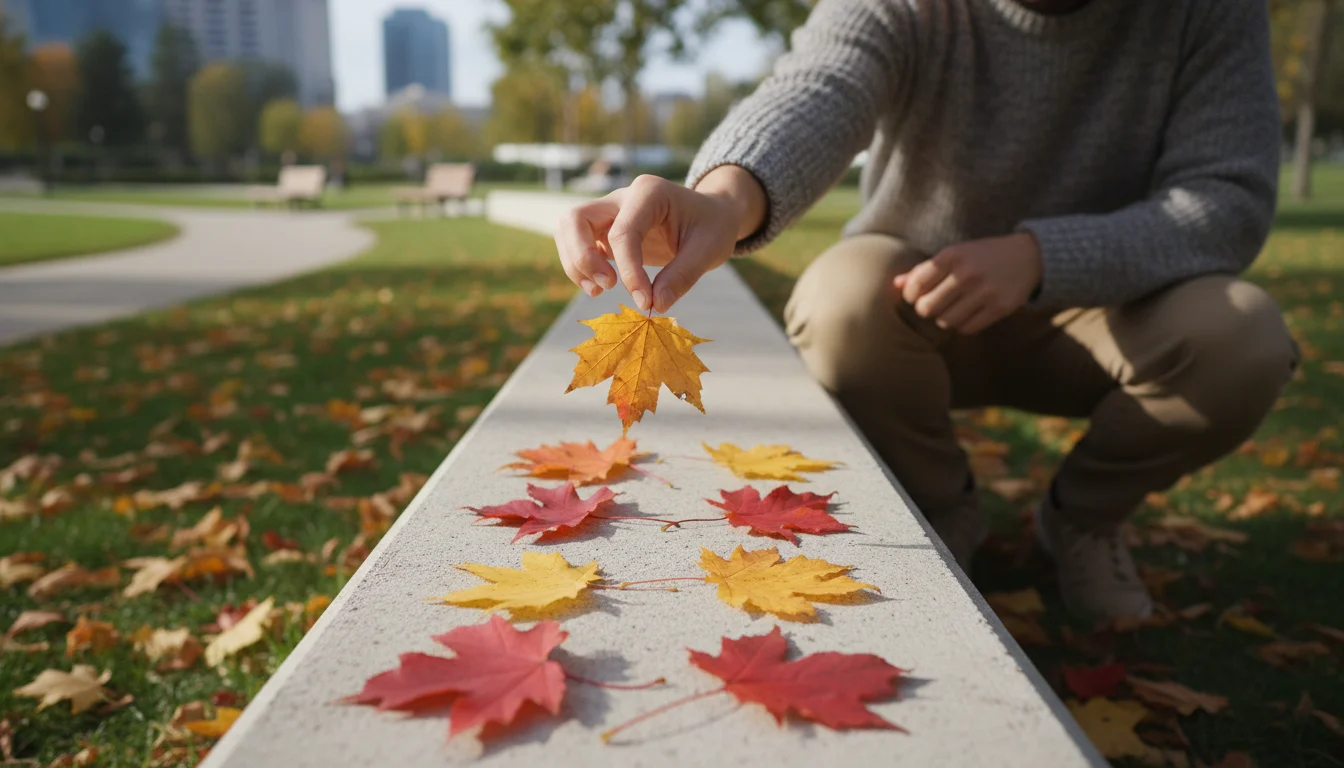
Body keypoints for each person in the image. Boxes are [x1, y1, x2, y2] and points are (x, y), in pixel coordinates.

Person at [552, 0, 1299, 620]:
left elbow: (1225, 198)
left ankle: (1082, 518)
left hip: (1114, 311)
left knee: (1243, 336)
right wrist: (722, 197)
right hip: (915, 303)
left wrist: (1042, 256)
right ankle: (945, 509)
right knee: (838, 298)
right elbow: (819, 87)